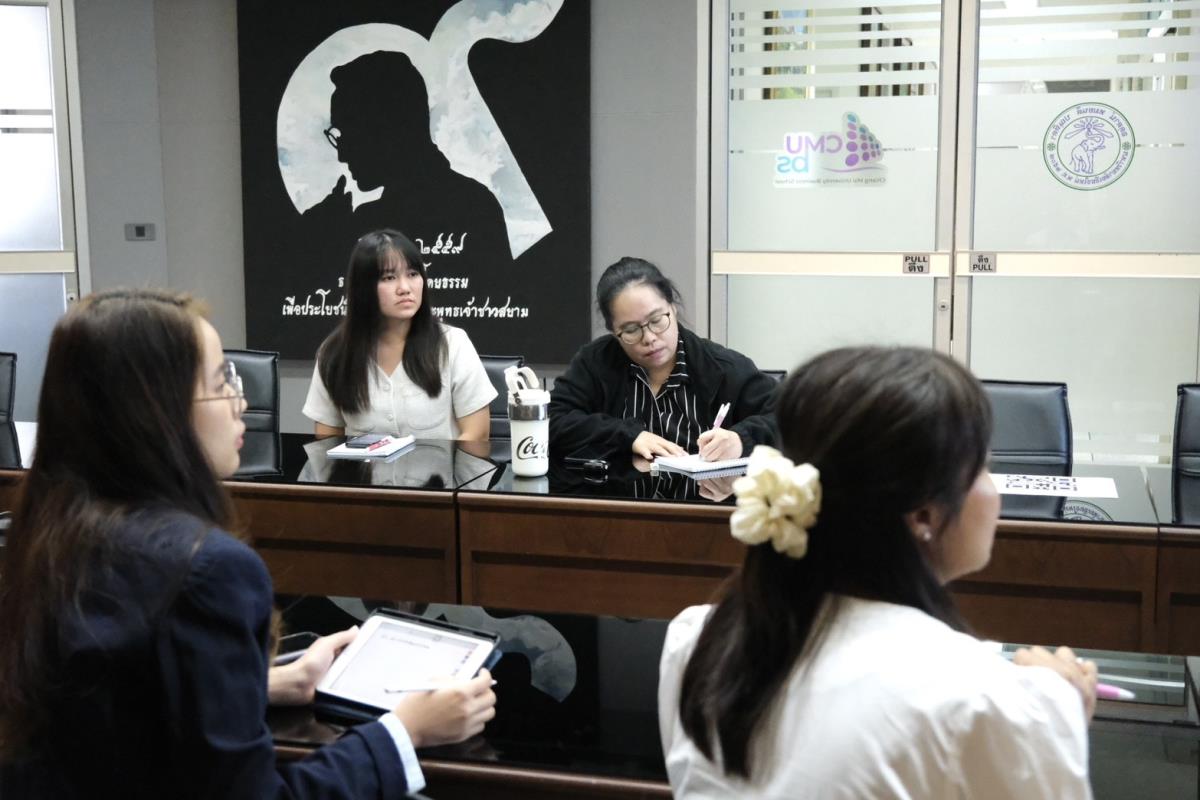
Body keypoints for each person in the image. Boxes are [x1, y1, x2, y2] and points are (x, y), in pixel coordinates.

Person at [0, 289, 497, 798]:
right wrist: (404, 733)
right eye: (222, 383)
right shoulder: (208, 570)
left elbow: (121, 703)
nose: (241, 402)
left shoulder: (45, 535)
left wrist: (270, 682)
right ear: (156, 411)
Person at [658, 347, 1096, 799]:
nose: (992, 485)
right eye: (983, 466)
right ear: (923, 515)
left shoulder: (699, 643)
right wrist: (1059, 720)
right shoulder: (983, 702)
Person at [549, 257, 777, 461]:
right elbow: (552, 419)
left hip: (705, 495)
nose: (649, 338)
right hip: (618, 494)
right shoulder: (595, 363)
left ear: (673, 308)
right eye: (631, 330)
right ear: (613, 331)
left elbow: (786, 418)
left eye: (657, 320)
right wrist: (628, 436)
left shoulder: (724, 368)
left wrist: (741, 440)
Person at [304, 229, 497, 441]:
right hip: (363, 464)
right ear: (363, 288)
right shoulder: (334, 353)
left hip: (441, 464)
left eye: (412, 274)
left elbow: (477, 433)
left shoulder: (453, 343)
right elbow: (326, 438)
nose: (405, 288)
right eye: (389, 277)